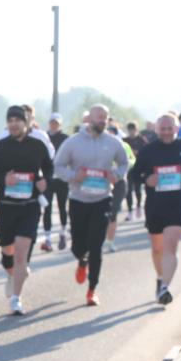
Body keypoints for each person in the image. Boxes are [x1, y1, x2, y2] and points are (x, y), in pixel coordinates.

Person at [53, 104, 129, 306]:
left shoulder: (113, 142)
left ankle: (92, 289)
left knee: (96, 246)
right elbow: (58, 165)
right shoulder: (73, 142)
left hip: (102, 199)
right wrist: (73, 176)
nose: (103, 120)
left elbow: (124, 162)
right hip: (78, 199)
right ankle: (81, 260)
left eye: (105, 117)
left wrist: (117, 175)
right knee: (78, 246)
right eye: (99, 117)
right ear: (89, 119)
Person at [0, 106, 53, 315]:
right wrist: (3, 180)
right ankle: (12, 274)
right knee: (8, 252)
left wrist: (44, 181)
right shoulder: (0, 147)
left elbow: (48, 168)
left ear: (26, 122)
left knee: (22, 254)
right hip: (6, 207)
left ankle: (16, 298)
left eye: (17, 120)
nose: (13, 124)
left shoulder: (37, 146)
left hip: (30, 206)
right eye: (10, 120)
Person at [130, 114, 181, 305]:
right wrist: (147, 179)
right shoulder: (148, 151)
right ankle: (161, 278)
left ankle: (164, 289)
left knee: (171, 245)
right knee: (157, 249)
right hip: (155, 205)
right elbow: (134, 175)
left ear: (176, 129)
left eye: (170, 128)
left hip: (178, 203)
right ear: (157, 130)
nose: (167, 132)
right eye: (163, 128)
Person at [103, 125, 135, 253]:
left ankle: (110, 242)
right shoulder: (100, 146)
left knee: (113, 212)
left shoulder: (124, 146)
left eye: (113, 133)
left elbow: (132, 160)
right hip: (102, 182)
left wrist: (120, 168)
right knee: (101, 212)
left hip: (120, 182)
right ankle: (100, 239)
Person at [42, 112, 70, 251]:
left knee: (62, 206)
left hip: (62, 179)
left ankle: (63, 232)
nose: (54, 125)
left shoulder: (66, 139)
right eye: (52, 122)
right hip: (48, 178)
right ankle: (47, 238)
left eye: (57, 123)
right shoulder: (44, 137)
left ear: (60, 124)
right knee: (46, 208)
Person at [124, 122, 148, 221]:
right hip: (128, 168)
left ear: (136, 130)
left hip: (138, 167)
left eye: (133, 130)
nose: (131, 132)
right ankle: (130, 211)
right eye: (129, 130)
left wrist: (138, 153)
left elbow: (147, 151)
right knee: (128, 190)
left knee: (138, 189)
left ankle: (138, 206)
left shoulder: (141, 140)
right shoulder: (125, 141)